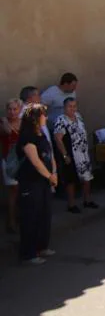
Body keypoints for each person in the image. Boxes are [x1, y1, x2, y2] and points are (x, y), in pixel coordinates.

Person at [16, 104, 58, 264]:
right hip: (30, 182)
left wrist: (53, 173)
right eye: (43, 115)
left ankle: (42, 247)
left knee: (44, 214)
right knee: (30, 216)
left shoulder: (41, 134)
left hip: (44, 182)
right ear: (35, 118)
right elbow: (36, 162)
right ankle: (28, 253)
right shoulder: (27, 137)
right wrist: (49, 175)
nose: (46, 118)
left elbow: (50, 155)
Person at [53, 98, 98, 213]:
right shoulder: (61, 120)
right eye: (69, 106)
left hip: (83, 153)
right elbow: (58, 139)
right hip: (71, 154)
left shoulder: (78, 116)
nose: (72, 108)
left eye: (74, 106)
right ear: (64, 107)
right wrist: (64, 155)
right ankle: (71, 204)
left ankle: (87, 200)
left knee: (87, 177)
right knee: (71, 179)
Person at [1, 98, 22, 233]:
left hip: (23, 160)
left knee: (23, 190)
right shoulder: (3, 123)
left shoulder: (23, 123)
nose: (12, 112)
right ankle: (11, 221)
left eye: (15, 109)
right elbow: (9, 133)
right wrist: (5, 121)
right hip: (9, 161)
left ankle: (20, 218)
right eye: (10, 109)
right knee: (13, 191)